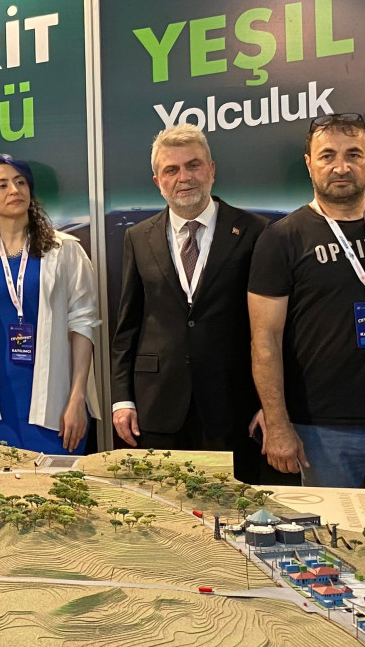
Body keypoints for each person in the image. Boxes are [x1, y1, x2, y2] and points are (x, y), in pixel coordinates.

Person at [248, 113, 365, 489]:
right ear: (309, 164)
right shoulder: (281, 238)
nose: (341, 167)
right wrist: (278, 422)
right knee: (333, 529)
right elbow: (264, 339)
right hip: (321, 428)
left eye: (353, 154)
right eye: (327, 155)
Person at [110, 126, 272, 482]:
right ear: (158, 181)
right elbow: (127, 326)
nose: (183, 177)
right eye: (171, 170)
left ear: (211, 170)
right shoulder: (138, 237)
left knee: (232, 506)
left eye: (193, 165)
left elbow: (271, 329)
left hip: (233, 406)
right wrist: (122, 399)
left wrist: (269, 405)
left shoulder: (254, 231)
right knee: (163, 506)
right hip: (157, 406)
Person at [0, 153, 99, 454]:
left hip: (56, 405)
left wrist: (77, 399)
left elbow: (84, 327)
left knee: (59, 483)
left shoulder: (66, 251)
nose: (14, 190)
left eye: (20, 182)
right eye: (2, 185)